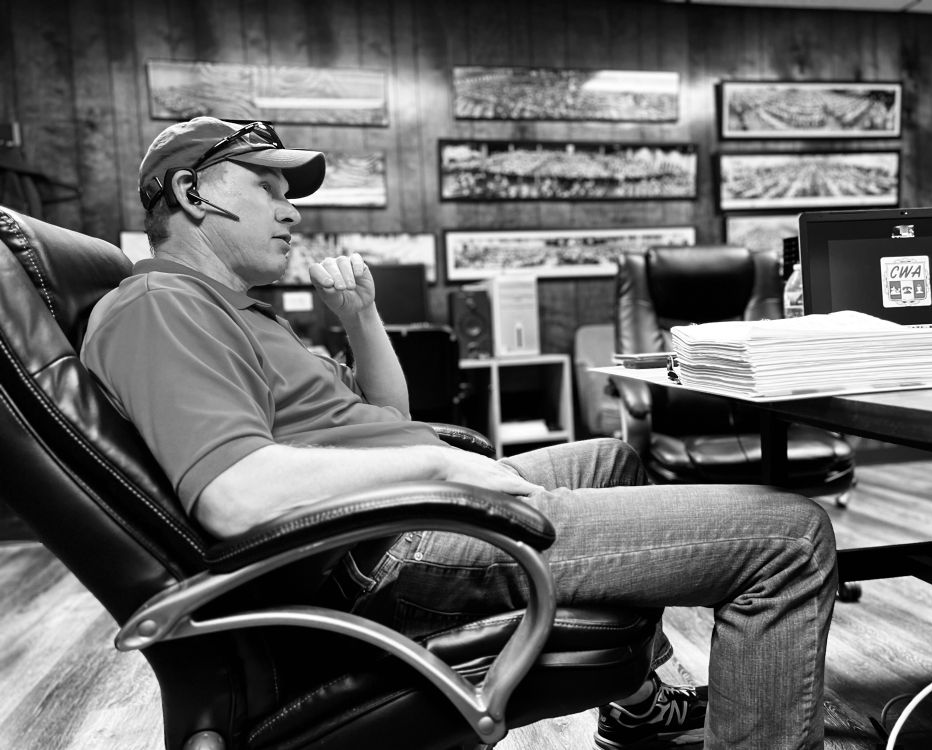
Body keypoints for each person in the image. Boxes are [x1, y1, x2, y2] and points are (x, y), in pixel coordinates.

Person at [81, 117, 838, 750]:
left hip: (405, 518)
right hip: (388, 547)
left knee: (609, 456)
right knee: (792, 536)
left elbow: (390, 421)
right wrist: (451, 476)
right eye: (268, 191)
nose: (292, 213)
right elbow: (234, 496)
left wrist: (360, 317)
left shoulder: (236, 310)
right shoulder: (158, 307)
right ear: (191, 193)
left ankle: (636, 710)